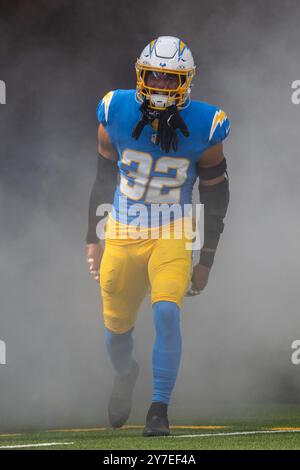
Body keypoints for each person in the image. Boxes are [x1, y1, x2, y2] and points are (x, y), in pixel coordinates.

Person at [86, 36, 230, 437]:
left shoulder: (206, 124)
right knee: (116, 331)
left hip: (173, 228)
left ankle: (158, 409)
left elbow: (216, 195)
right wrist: (92, 237)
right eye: (155, 76)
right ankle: (125, 373)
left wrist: (206, 258)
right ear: (141, 74)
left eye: (171, 80)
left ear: (186, 83)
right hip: (122, 229)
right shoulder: (115, 110)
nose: (162, 86)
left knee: (166, 311)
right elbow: (102, 178)